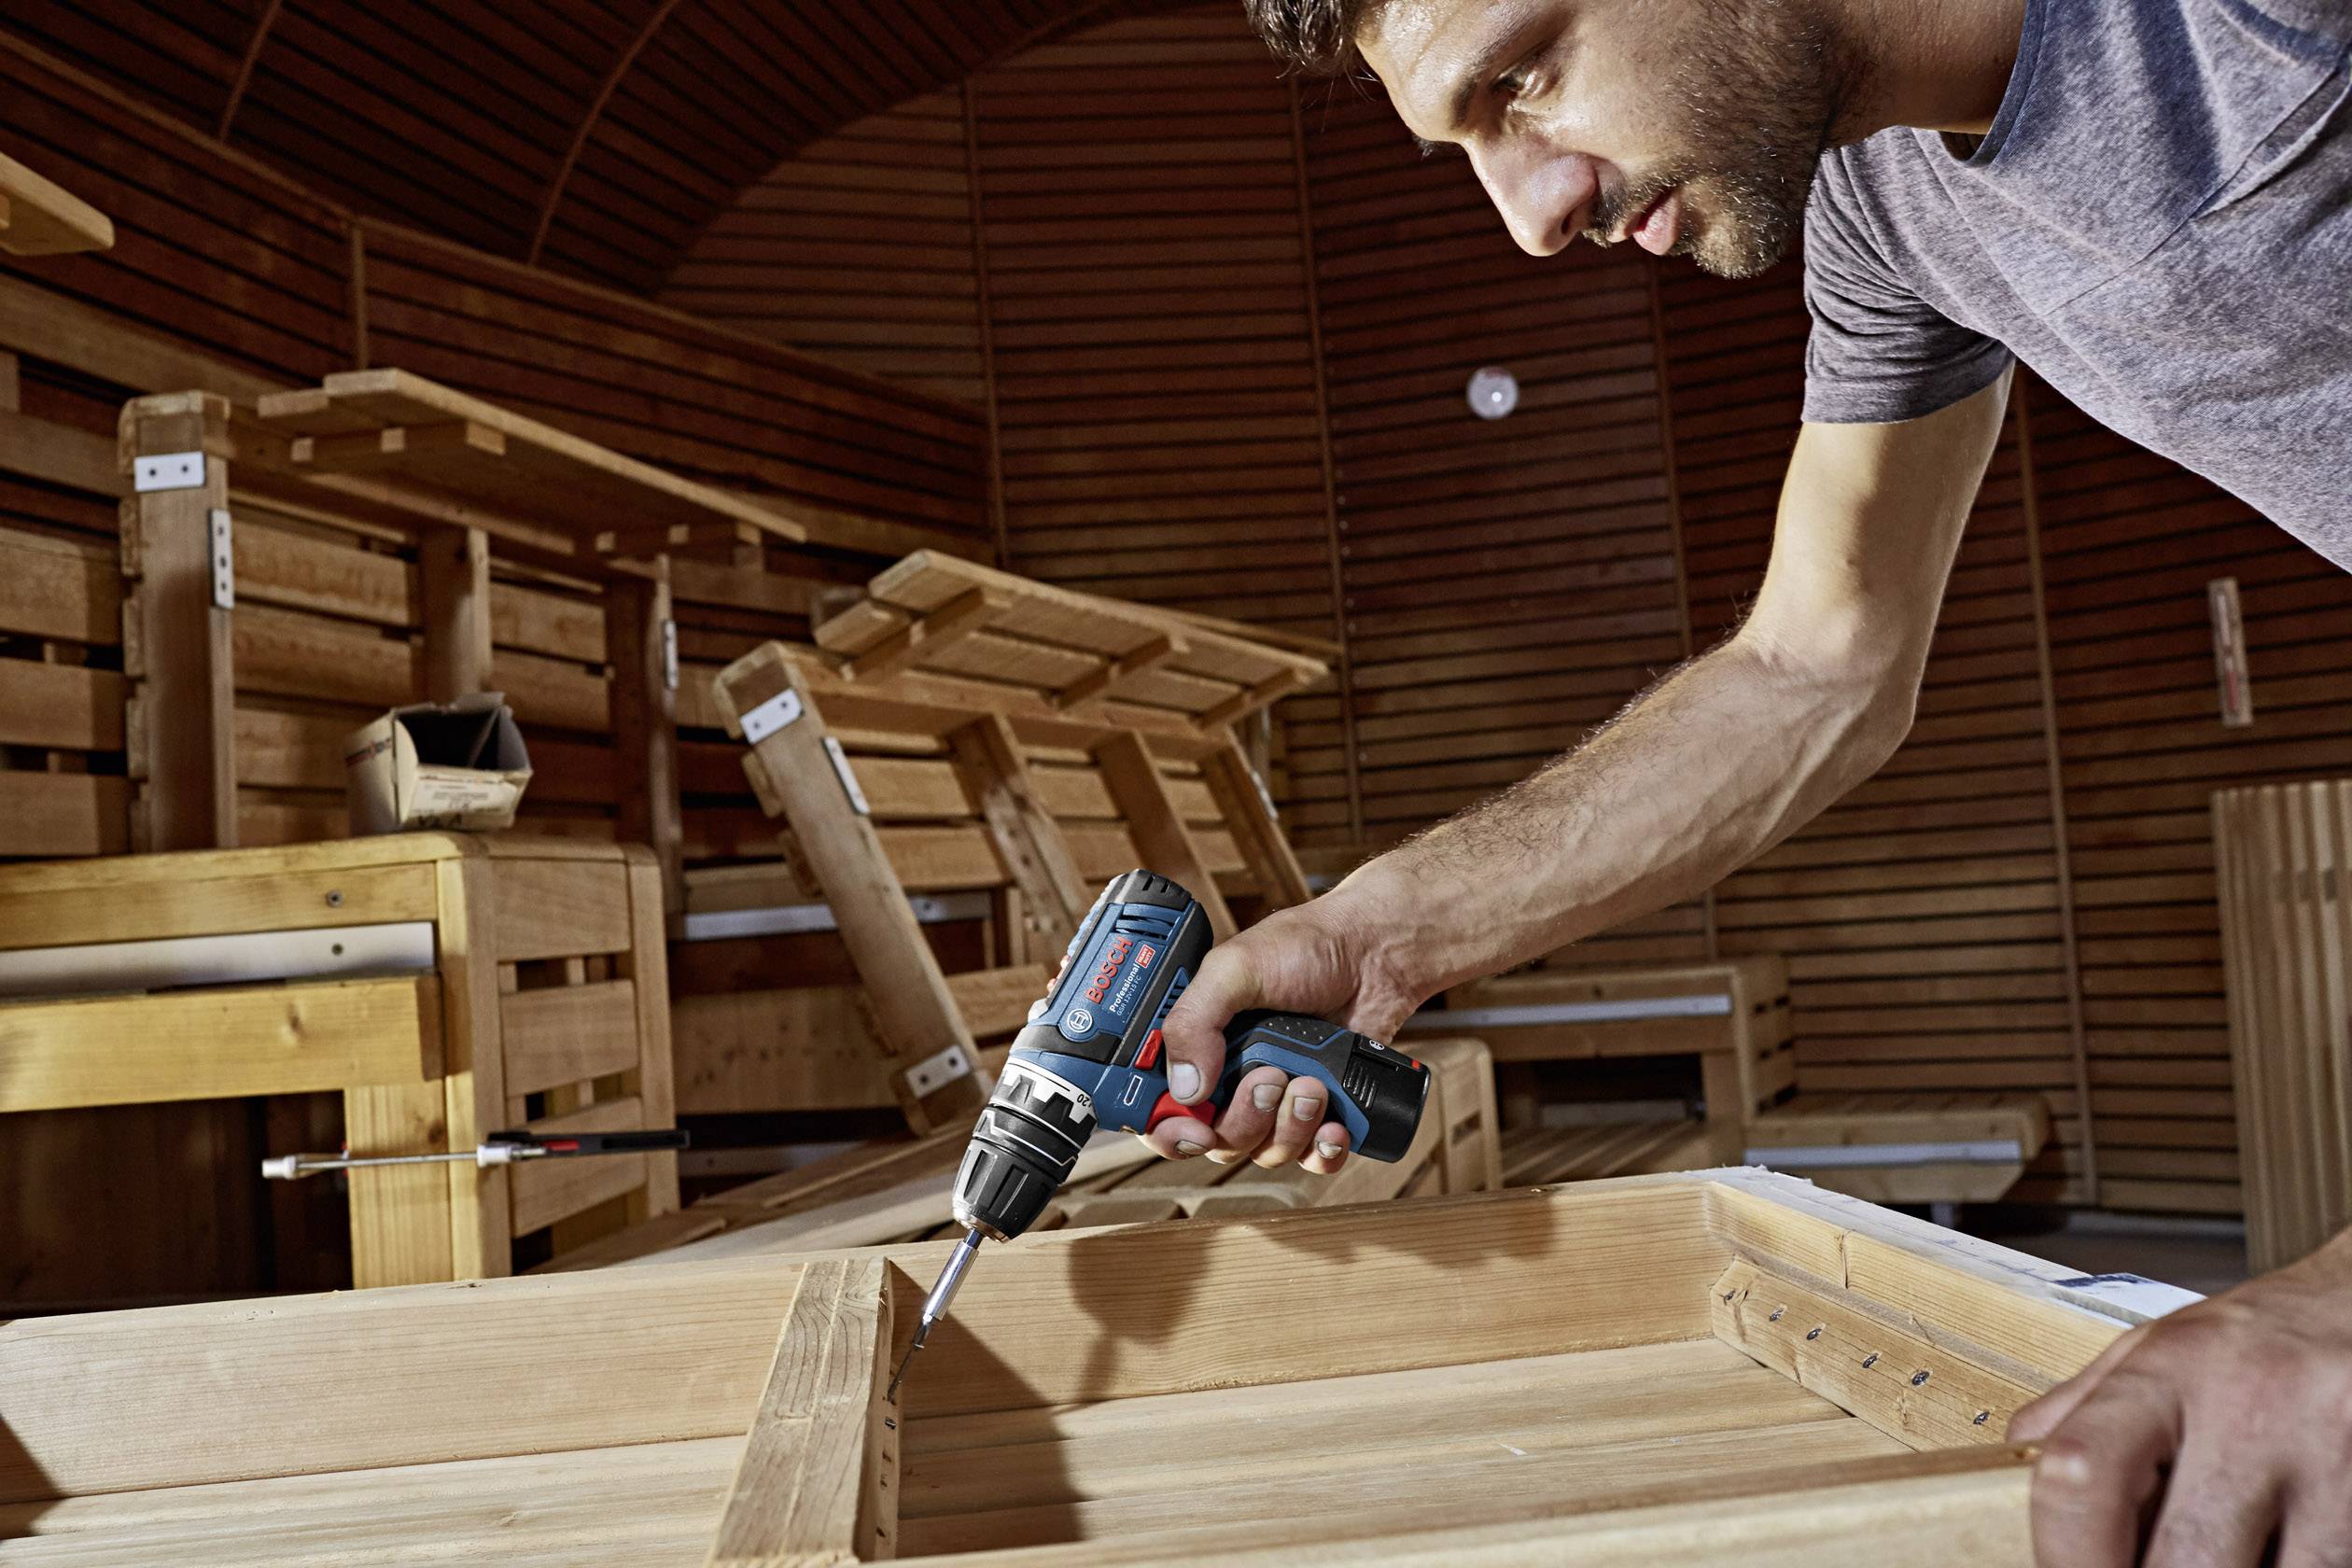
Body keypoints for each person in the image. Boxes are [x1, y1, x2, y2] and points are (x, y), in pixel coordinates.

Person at [1141, 0, 2352, 1563]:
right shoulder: (1885, 203)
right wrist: (1380, 932)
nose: (1529, 214)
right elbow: (1816, 665)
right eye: (1468, 142)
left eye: (1525, 78)